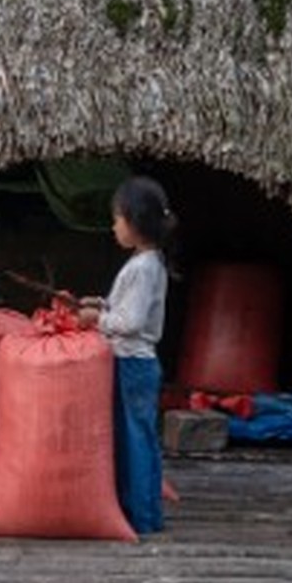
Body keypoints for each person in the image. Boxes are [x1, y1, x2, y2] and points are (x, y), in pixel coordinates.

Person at [79, 177, 175, 535]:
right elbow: (127, 309)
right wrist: (100, 304)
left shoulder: (143, 267)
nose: (113, 226)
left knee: (136, 439)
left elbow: (131, 322)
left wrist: (97, 319)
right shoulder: (146, 262)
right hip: (134, 363)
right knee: (135, 437)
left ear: (135, 222)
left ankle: (144, 518)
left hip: (133, 364)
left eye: (117, 218)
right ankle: (139, 513)